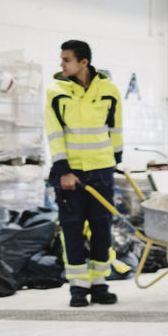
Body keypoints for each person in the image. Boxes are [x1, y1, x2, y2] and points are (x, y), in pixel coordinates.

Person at [45, 40, 123, 308]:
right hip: (71, 172)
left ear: (83, 62)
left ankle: (100, 283)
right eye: (62, 59)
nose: (61, 64)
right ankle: (79, 286)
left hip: (102, 170)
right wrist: (63, 170)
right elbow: (54, 135)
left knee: (102, 228)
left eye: (66, 60)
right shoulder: (56, 92)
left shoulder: (109, 90)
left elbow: (115, 128)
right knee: (72, 229)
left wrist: (116, 160)